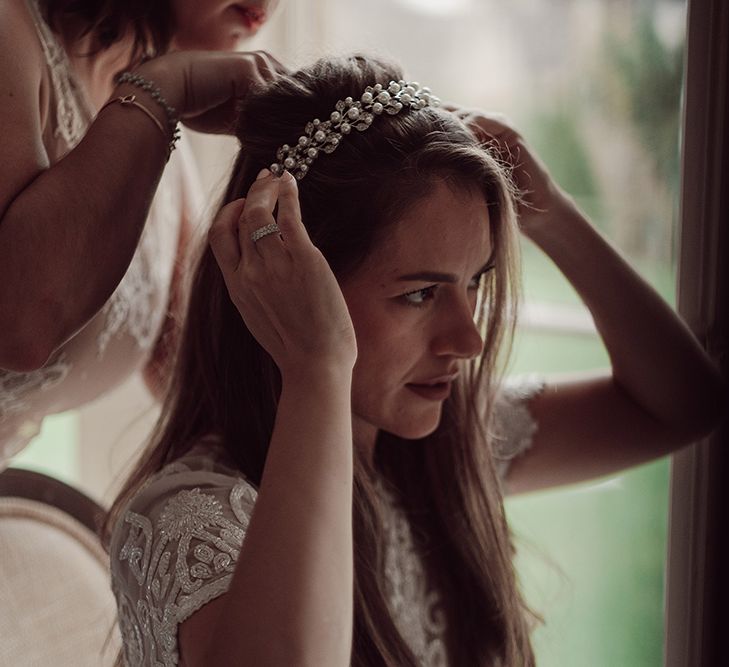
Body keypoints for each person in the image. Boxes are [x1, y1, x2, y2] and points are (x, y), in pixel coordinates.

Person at [106, 55, 725, 666]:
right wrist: (318, 364)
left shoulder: (440, 450)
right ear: (286, 285)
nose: (468, 340)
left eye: (475, 283)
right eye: (420, 294)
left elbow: (683, 405)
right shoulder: (191, 522)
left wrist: (552, 214)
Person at [0, 0, 285, 465]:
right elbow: (19, 326)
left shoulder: (153, 117)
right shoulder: (9, 33)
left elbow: (200, 383)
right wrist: (160, 92)